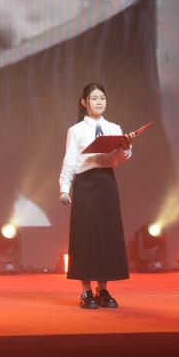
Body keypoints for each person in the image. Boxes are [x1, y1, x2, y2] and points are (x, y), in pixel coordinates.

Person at [59, 83, 137, 309]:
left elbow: (121, 160)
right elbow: (70, 160)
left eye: (102, 97)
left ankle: (102, 289)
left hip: (107, 182)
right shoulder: (76, 130)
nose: (99, 102)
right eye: (94, 98)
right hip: (85, 183)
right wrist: (64, 188)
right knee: (85, 237)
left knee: (107, 236)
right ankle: (86, 291)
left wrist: (126, 146)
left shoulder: (114, 127)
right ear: (84, 102)